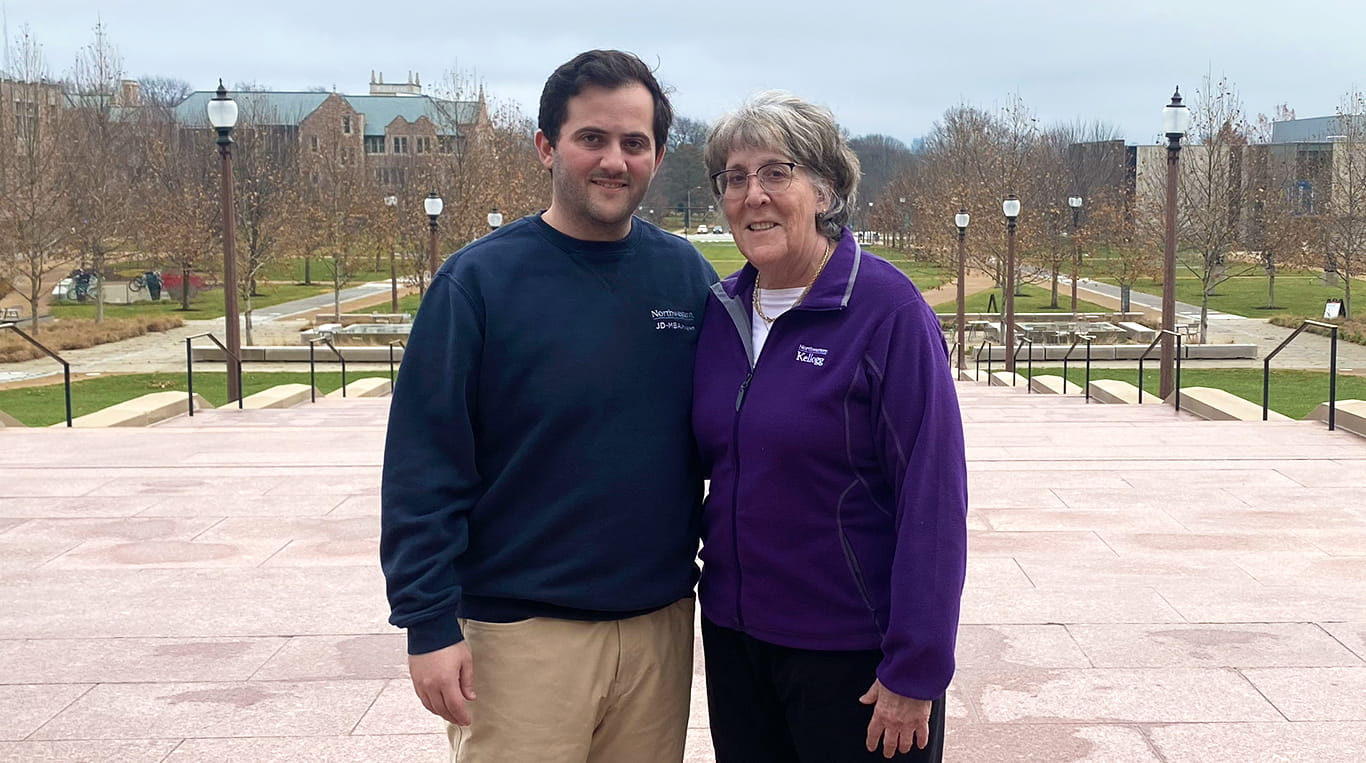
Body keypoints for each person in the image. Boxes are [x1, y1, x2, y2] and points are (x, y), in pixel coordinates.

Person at [381, 50, 716, 763]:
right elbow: (423, 464)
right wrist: (427, 623)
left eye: (635, 143)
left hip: (658, 626)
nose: (614, 161)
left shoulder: (685, 277)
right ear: (546, 146)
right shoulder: (478, 283)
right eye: (591, 138)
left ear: (657, 154)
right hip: (519, 634)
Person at [691, 91, 968, 762]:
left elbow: (933, 497)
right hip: (737, 642)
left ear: (825, 188)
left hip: (853, 657)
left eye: (775, 173)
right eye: (735, 177)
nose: (752, 194)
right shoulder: (721, 312)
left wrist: (916, 667)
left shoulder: (888, 312)